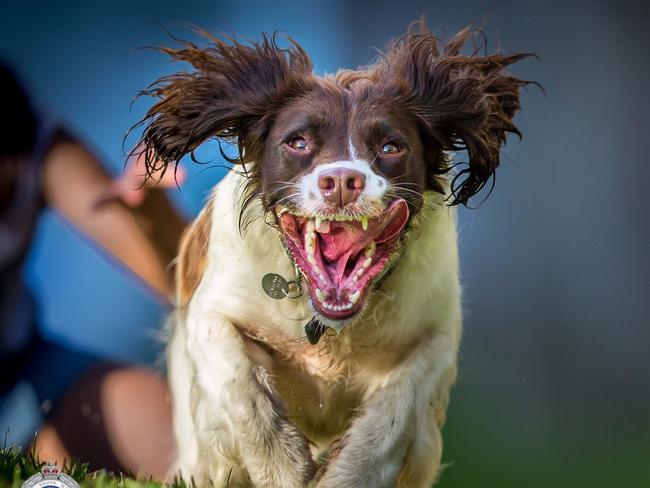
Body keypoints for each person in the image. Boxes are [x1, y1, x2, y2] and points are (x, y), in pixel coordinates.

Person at [0, 60, 185, 478]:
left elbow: (181, 282)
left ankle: (42, 451)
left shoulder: (36, 142)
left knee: (156, 421)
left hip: (21, 365)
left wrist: (153, 215)